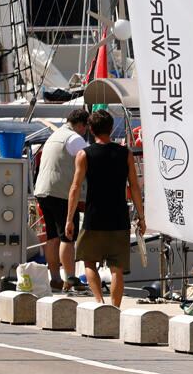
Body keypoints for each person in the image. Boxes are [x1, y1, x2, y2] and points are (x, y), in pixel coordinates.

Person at [65, 110, 143, 305]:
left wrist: (69, 219)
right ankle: (115, 308)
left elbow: (74, 188)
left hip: (94, 216)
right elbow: (134, 186)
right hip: (119, 216)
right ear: (111, 128)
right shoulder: (125, 153)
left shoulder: (84, 154)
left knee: (89, 261)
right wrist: (142, 216)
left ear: (91, 129)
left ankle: (100, 302)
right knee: (117, 268)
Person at [33, 109, 91, 292]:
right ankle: (71, 278)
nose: (85, 130)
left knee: (52, 236)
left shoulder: (55, 135)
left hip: (43, 190)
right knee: (68, 234)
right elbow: (89, 160)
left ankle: (55, 278)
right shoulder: (74, 139)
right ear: (81, 125)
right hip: (60, 192)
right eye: (85, 127)